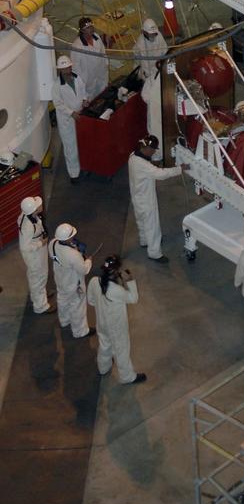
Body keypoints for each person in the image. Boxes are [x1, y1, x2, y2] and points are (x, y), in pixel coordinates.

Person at [88, 255, 146, 385]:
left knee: (104, 344)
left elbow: (91, 301)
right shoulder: (116, 290)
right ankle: (127, 377)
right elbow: (133, 298)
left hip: (101, 323)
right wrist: (129, 280)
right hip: (116, 326)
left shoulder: (94, 282)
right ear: (116, 271)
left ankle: (103, 367)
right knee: (121, 349)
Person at [128, 135, 182, 263]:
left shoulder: (132, 156)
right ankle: (155, 253)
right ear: (146, 148)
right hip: (147, 200)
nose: (153, 152)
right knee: (153, 227)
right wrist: (180, 169)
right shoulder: (143, 165)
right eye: (152, 150)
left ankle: (144, 240)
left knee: (141, 221)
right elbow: (161, 174)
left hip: (136, 197)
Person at [49, 222, 93, 338]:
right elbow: (84, 270)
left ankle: (64, 320)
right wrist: (88, 261)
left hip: (60, 279)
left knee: (62, 299)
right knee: (78, 306)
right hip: (73, 283)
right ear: (68, 238)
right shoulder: (73, 255)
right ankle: (80, 331)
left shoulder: (52, 243)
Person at [134, 19, 168, 151]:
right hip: (149, 77)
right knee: (153, 118)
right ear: (144, 32)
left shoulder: (159, 37)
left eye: (154, 33)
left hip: (159, 74)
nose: (153, 35)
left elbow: (165, 52)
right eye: (151, 34)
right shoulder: (140, 44)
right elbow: (140, 62)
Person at [52, 55, 86, 181]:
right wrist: (71, 113)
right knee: (70, 147)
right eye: (65, 68)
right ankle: (74, 174)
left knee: (81, 143)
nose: (68, 70)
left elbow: (83, 91)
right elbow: (58, 104)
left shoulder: (77, 78)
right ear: (60, 70)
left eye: (69, 67)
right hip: (67, 120)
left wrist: (85, 100)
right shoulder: (57, 85)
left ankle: (82, 166)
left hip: (79, 116)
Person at [17, 195, 51, 314]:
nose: (41, 205)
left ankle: (39, 296)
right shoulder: (28, 226)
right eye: (38, 205)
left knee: (37, 276)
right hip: (34, 255)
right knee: (38, 277)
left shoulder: (28, 215)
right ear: (34, 210)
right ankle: (41, 306)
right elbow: (24, 247)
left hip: (37, 250)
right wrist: (40, 243)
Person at [73, 16, 109, 101]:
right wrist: (81, 84)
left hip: (101, 75)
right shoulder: (77, 46)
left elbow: (103, 52)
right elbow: (75, 68)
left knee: (103, 96)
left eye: (91, 26)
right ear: (82, 30)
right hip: (88, 81)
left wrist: (106, 65)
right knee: (92, 101)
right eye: (88, 28)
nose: (91, 29)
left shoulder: (96, 37)